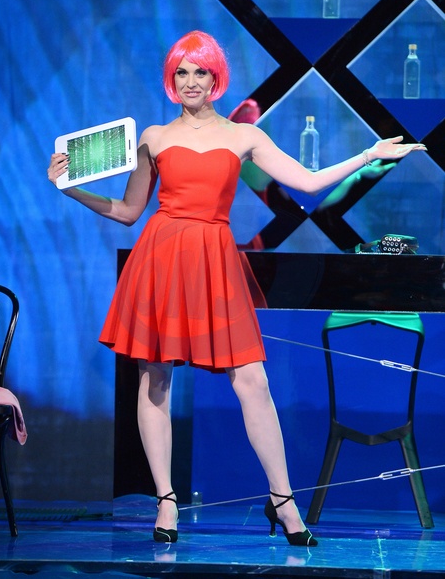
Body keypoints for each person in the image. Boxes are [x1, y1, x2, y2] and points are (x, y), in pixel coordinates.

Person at [47, 30, 426, 546]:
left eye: (200, 71)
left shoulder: (244, 136)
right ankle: (166, 501)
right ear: (172, 79)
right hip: (161, 259)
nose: (190, 81)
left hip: (215, 262)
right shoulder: (153, 137)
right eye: (181, 72)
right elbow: (130, 211)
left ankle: (283, 500)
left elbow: (308, 182)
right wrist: (71, 189)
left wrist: (368, 155)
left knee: (253, 381)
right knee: (155, 380)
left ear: (216, 78)